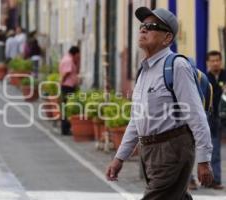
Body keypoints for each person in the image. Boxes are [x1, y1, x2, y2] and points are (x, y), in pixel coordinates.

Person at [106, 7, 213, 200]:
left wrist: (204, 159)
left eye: (152, 26)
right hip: (149, 152)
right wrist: (119, 157)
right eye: (142, 26)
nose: (143, 30)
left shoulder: (176, 66)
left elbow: (196, 115)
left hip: (172, 149)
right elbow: (136, 119)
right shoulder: (144, 71)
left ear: (167, 38)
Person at [206, 50, 226, 189]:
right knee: (214, 150)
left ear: (221, 61)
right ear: (208, 63)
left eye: (217, 60)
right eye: (212, 61)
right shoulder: (205, 78)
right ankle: (214, 180)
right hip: (213, 118)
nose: (215, 63)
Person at [59, 46, 81, 135]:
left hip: (67, 86)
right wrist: (62, 81)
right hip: (68, 86)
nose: (78, 57)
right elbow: (67, 72)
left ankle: (66, 128)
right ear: (75, 53)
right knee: (67, 107)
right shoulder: (68, 60)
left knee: (67, 107)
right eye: (78, 55)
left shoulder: (66, 58)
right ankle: (65, 128)